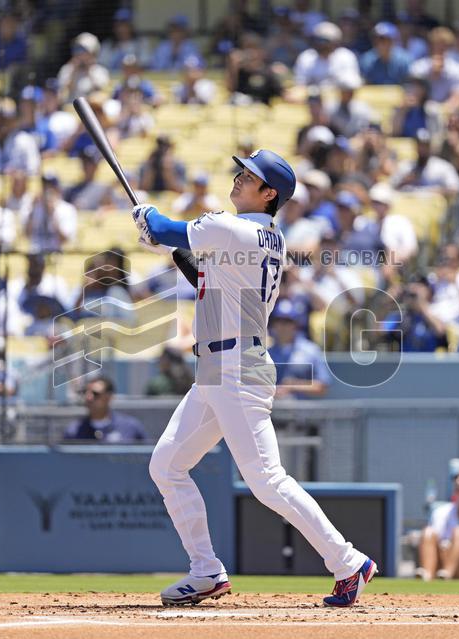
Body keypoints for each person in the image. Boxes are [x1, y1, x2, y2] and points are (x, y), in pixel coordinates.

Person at [134, 148, 377, 607]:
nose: (239, 178)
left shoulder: (229, 226)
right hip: (218, 367)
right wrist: (169, 242)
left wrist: (146, 216)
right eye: (242, 171)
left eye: (250, 176)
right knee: (166, 464)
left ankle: (348, 563)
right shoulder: (267, 239)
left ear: (269, 194)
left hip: (235, 368)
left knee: (267, 479)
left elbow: (167, 228)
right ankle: (205, 570)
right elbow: (204, 269)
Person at [64, 376, 145, 441]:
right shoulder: (74, 430)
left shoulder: (130, 427)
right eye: (85, 392)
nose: (89, 397)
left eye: (95, 394)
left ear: (109, 397)